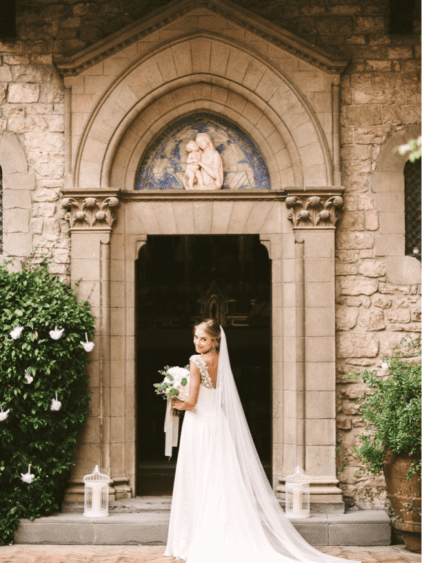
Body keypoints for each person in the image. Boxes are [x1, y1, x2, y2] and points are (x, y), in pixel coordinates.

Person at [164, 319, 361, 563]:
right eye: (195, 337)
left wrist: (176, 400)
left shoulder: (196, 361)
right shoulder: (220, 360)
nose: (197, 342)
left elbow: (192, 401)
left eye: (203, 338)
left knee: (199, 476)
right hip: (218, 424)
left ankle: (196, 538)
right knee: (219, 477)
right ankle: (221, 532)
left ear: (215, 340)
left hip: (200, 425)